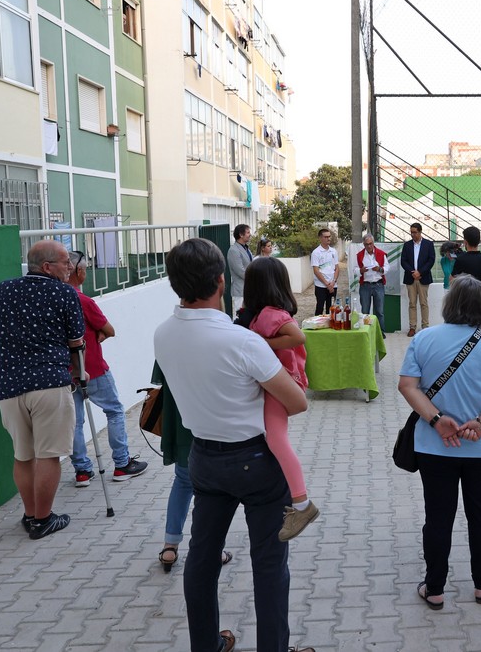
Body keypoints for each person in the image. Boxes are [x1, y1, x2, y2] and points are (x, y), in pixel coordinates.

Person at [154, 238, 309, 652]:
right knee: (270, 564)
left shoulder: (163, 335)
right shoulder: (243, 342)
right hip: (256, 461)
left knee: (202, 560)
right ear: (221, 281)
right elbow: (296, 403)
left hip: (204, 459)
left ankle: (205, 644)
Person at [398, 275, 481, 610]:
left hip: (434, 447)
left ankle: (435, 587)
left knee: (438, 516)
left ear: (448, 304)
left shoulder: (424, 339)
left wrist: (437, 421)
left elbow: (407, 385)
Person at [0, 240, 84, 539]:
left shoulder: (4, 289)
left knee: (23, 455)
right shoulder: (64, 293)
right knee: (48, 455)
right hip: (49, 385)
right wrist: (79, 372)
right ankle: (43, 521)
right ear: (47, 267)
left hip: (9, 387)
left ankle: (31, 515)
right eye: (64, 262)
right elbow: (76, 342)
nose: (70, 266)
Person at [243, 256, 319, 541]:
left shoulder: (270, 315)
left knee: (277, 440)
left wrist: (262, 344)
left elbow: (298, 338)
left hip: (281, 382)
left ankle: (301, 503)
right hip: (280, 381)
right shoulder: (266, 313)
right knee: (273, 439)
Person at [67, 250, 148, 487]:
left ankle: (82, 471)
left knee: (75, 421)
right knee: (114, 410)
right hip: (92, 368)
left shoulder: (53, 299)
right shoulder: (83, 301)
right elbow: (110, 329)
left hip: (66, 371)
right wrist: (99, 332)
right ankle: (122, 464)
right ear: (79, 272)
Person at [155, 364, 234, 573]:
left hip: (180, 419)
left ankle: (169, 546)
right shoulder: (213, 334)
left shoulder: (167, 334)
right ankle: (212, 550)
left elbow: (160, 375)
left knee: (182, 481)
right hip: (208, 418)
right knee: (210, 487)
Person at [401, 222, 436, 337]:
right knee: (412, 303)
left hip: (423, 277)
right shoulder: (407, 245)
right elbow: (403, 261)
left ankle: (425, 327)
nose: (413, 235)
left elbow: (431, 260)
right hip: (411, 278)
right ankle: (412, 327)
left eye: (415, 232)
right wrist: (413, 272)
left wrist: (420, 272)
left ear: (420, 232)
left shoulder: (428, 244)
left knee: (423, 303)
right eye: (411, 232)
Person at [353, 234, 390, 333]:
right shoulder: (359, 255)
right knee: (365, 311)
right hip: (365, 285)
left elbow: (387, 268)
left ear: (373, 243)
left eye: (371, 244)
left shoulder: (381, 254)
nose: (369, 246)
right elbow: (354, 269)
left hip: (378, 284)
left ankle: (381, 332)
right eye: (367, 244)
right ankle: (366, 332)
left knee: (379, 311)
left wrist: (380, 269)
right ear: (363, 244)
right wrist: (360, 270)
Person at [311, 228, 339, 316]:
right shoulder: (316, 253)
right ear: (320, 238)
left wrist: (333, 282)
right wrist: (327, 284)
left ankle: (330, 326)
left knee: (331, 308)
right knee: (320, 307)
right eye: (326, 237)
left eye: (329, 236)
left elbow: (337, 268)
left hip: (333, 284)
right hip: (321, 285)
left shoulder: (333, 251)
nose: (328, 239)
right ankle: (317, 326)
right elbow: (316, 270)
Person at [227, 224, 253, 317]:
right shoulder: (233, 250)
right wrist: (255, 277)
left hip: (248, 289)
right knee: (239, 317)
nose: (250, 234)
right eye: (248, 232)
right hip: (240, 291)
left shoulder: (246, 248)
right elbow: (240, 271)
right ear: (241, 235)